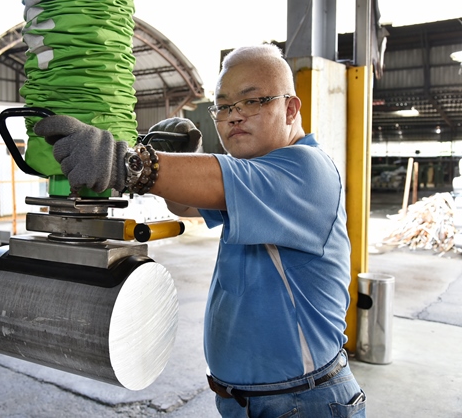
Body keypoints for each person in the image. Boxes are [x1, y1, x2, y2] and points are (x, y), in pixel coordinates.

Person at [34, 43, 366, 417]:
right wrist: (170, 165)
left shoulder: (306, 170)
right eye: (223, 106)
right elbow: (187, 204)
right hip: (249, 401)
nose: (234, 116)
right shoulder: (257, 178)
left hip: (304, 403)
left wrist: (129, 163)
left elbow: (217, 181)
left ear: (290, 108)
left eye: (253, 100)